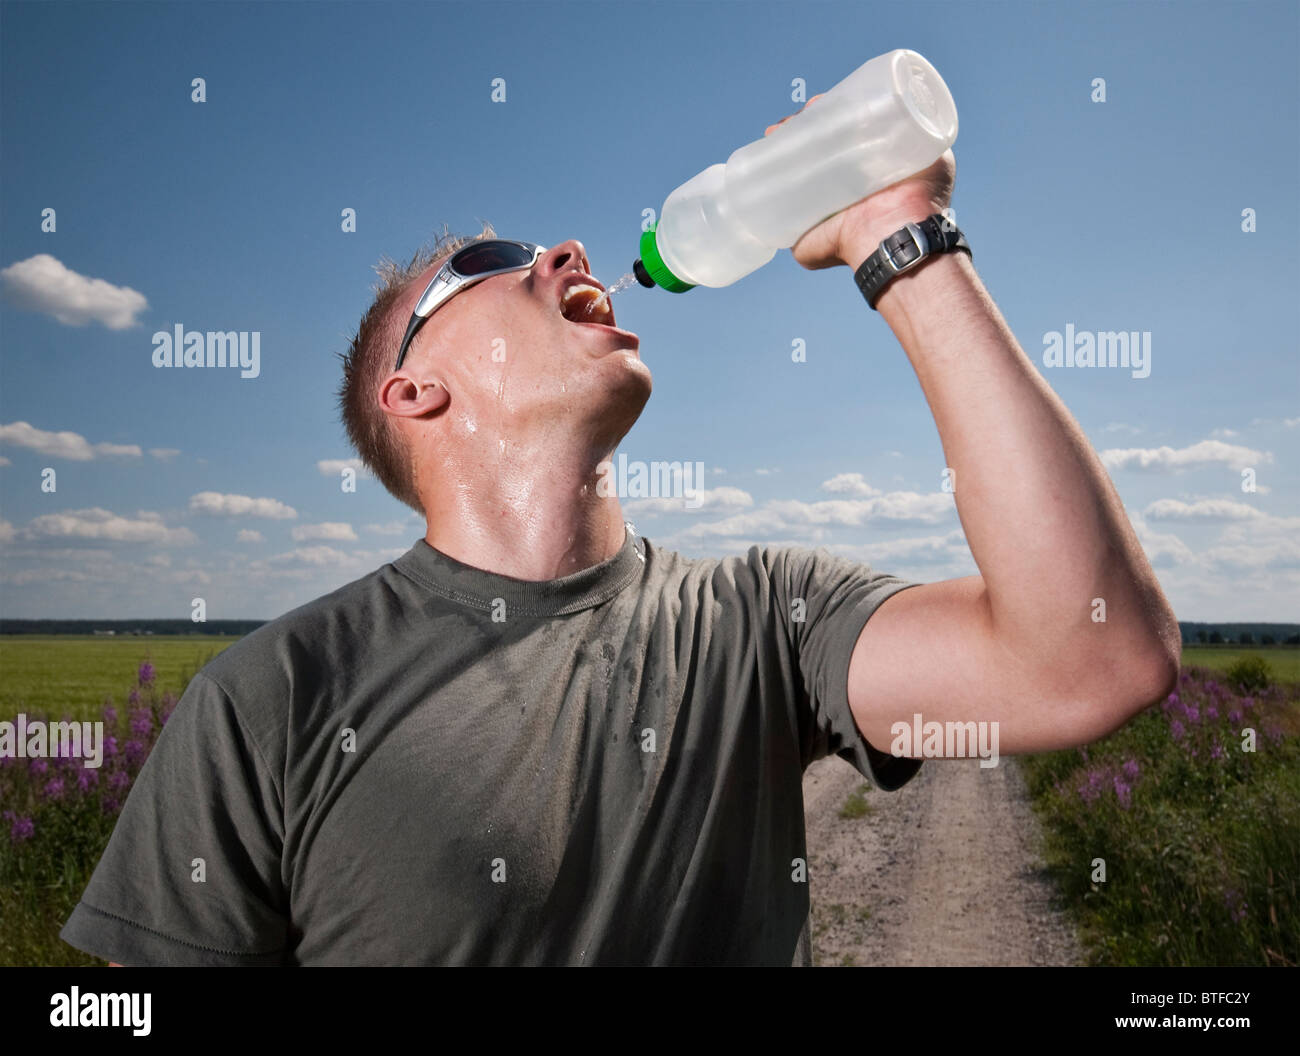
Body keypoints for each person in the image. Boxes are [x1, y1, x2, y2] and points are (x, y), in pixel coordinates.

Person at [60, 102, 1179, 966]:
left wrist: (902, 238)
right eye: (488, 269)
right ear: (414, 397)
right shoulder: (273, 695)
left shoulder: (764, 619)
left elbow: (1089, 658)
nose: (563, 254)